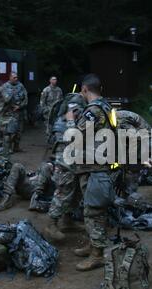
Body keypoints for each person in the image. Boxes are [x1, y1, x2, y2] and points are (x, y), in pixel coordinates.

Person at [44, 74, 114, 272]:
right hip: (93, 165)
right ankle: (93, 246)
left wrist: (68, 121)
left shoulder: (93, 111)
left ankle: (97, 255)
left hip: (95, 167)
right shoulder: (106, 106)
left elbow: (75, 136)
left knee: (94, 212)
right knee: (91, 209)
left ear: (84, 89)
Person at [0, 73, 28, 156]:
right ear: (10, 78)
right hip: (9, 114)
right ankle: (9, 148)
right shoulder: (4, 87)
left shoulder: (20, 86)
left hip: (20, 112)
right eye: (14, 77)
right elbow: (2, 100)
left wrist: (20, 106)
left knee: (19, 131)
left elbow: (25, 97)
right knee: (10, 131)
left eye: (17, 77)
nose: (16, 79)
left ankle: (16, 147)